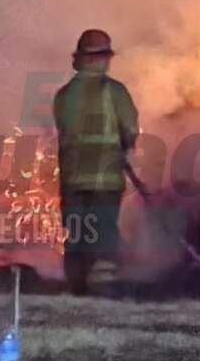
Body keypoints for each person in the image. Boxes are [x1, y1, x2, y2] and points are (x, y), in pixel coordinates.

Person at [53, 29, 139, 295]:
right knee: (103, 231)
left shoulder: (64, 94)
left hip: (72, 178)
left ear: (79, 59)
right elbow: (130, 128)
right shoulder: (114, 91)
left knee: (77, 233)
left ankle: (76, 287)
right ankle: (103, 289)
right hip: (106, 178)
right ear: (103, 58)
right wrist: (125, 146)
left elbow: (64, 130)